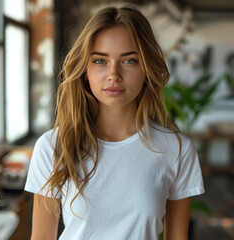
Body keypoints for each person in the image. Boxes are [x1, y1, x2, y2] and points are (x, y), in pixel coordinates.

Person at [25, 5, 205, 240]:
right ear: (84, 70)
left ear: (147, 68)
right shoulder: (53, 146)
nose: (114, 74)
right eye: (100, 61)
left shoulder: (176, 149)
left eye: (129, 61)